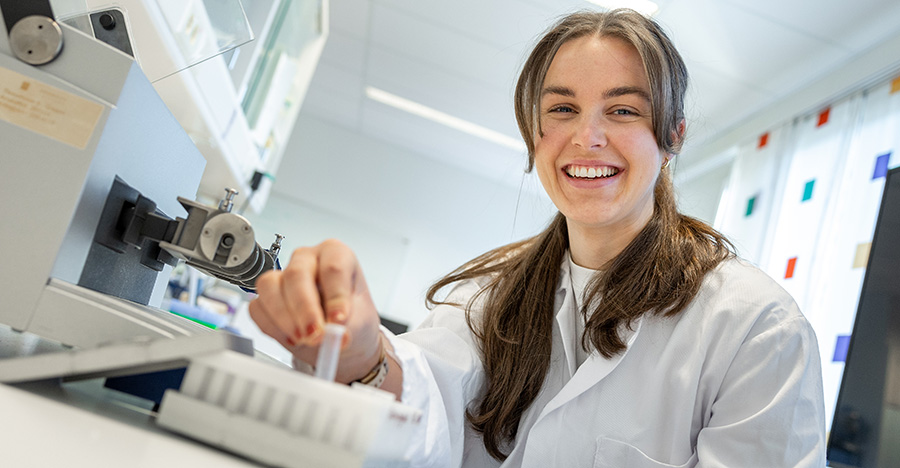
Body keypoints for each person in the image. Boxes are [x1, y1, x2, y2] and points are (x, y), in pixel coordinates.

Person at [248, 8, 826, 467]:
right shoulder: (491, 292)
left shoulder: (756, 329)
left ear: (671, 137)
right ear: (535, 135)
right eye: (563, 108)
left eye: (622, 110)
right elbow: (426, 399)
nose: (587, 136)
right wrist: (363, 355)